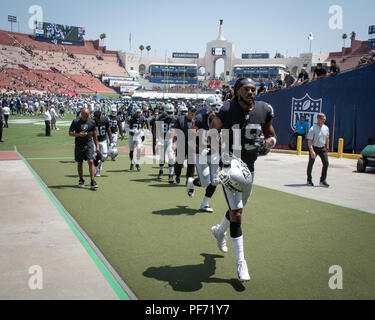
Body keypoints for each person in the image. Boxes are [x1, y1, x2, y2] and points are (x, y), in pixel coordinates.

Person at [210, 77, 277, 281]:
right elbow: (213, 131)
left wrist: (267, 143)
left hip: (249, 168)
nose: (251, 92)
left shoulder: (264, 109)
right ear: (237, 91)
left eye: (253, 89)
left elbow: (272, 136)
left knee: (238, 208)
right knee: (237, 213)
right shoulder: (227, 108)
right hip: (230, 167)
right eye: (246, 89)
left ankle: (219, 230)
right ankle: (241, 263)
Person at [186, 95, 221, 212]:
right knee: (206, 182)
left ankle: (204, 203)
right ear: (208, 106)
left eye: (217, 105)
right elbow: (190, 138)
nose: (215, 108)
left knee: (215, 180)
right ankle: (191, 181)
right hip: (201, 153)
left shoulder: (222, 119)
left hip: (215, 153)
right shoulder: (200, 118)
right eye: (213, 106)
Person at [69, 108, 100, 190]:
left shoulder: (92, 122)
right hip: (79, 145)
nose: (87, 117)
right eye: (85, 115)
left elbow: (95, 134)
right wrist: (79, 134)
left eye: (88, 115)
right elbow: (70, 133)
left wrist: (97, 146)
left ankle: (92, 180)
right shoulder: (76, 121)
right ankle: (81, 179)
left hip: (89, 144)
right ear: (81, 114)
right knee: (80, 162)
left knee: (91, 161)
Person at [172, 104, 196, 184]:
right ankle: (177, 175)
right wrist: (174, 143)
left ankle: (189, 180)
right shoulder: (181, 119)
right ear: (188, 111)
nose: (192, 113)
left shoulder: (195, 121)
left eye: (194, 112)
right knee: (179, 162)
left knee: (191, 163)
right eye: (191, 111)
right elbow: (174, 131)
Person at [306, 113, 330, 187]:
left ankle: (322, 181)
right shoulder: (313, 128)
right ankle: (309, 180)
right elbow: (309, 141)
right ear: (318, 119)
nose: (324, 121)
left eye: (325, 119)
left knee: (326, 163)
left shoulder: (326, 128)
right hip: (314, 147)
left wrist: (327, 147)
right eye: (323, 119)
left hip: (322, 148)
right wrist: (312, 151)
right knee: (311, 163)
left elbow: (327, 138)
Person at [155, 103, 177, 183]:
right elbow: (157, 129)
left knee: (171, 157)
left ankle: (170, 175)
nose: (170, 114)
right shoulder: (161, 118)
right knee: (162, 157)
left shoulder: (175, 119)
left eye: (171, 112)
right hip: (161, 139)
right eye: (169, 112)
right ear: (165, 111)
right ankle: (161, 170)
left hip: (170, 140)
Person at [93, 110, 112, 177]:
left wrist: (110, 139)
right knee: (94, 156)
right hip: (94, 141)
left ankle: (99, 165)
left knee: (104, 155)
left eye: (98, 117)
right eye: (96, 117)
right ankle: (97, 170)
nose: (97, 119)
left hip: (103, 140)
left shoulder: (105, 120)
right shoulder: (92, 122)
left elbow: (108, 129)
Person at [128, 106, 146, 171]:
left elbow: (143, 125)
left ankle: (137, 164)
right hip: (131, 136)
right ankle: (132, 163)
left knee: (139, 149)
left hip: (138, 136)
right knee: (131, 150)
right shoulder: (130, 118)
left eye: (139, 112)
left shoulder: (142, 118)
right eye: (137, 112)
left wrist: (142, 132)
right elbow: (126, 127)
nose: (138, 114)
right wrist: (131, 130)